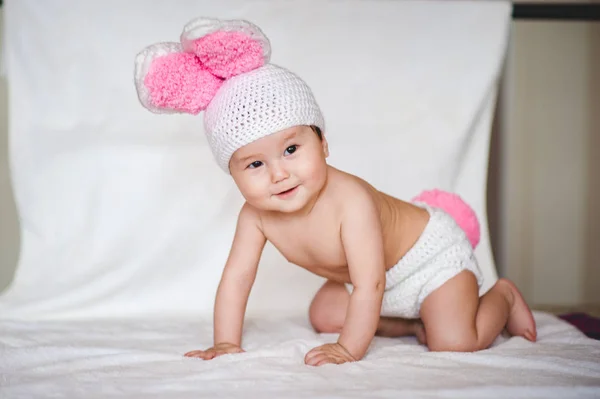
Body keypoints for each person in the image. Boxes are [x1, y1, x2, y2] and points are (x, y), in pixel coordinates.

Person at [134, 17, 537, 367]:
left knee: (453, 343)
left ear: (323, 144)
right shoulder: (255, 216)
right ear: (233, 174)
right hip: (373, 283)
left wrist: (349, 349)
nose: (279, 174)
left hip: (425, 261)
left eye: (292, 150)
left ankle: (502, 298)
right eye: (255, 164)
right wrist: (225, 342)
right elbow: (237, 280)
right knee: (324, 314)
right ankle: (414, 320)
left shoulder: (350, 201)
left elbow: (370, 284)